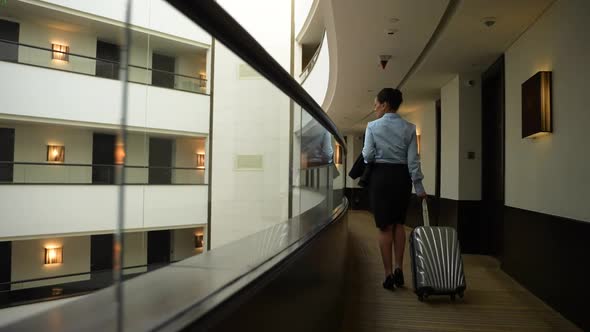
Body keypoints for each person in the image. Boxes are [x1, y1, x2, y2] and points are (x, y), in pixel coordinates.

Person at [362, 88, 426, 291]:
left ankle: (388, 274)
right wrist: (419, 187)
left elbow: (368, 155)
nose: (374, 109)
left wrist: (368, 155)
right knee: (399, 224)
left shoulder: (372, 127)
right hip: (402, 178)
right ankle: (400, 268)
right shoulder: (409, 128)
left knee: (384, 227)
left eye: (376, 104)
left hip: (380, 178)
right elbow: (413, 161)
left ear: (385, 104)